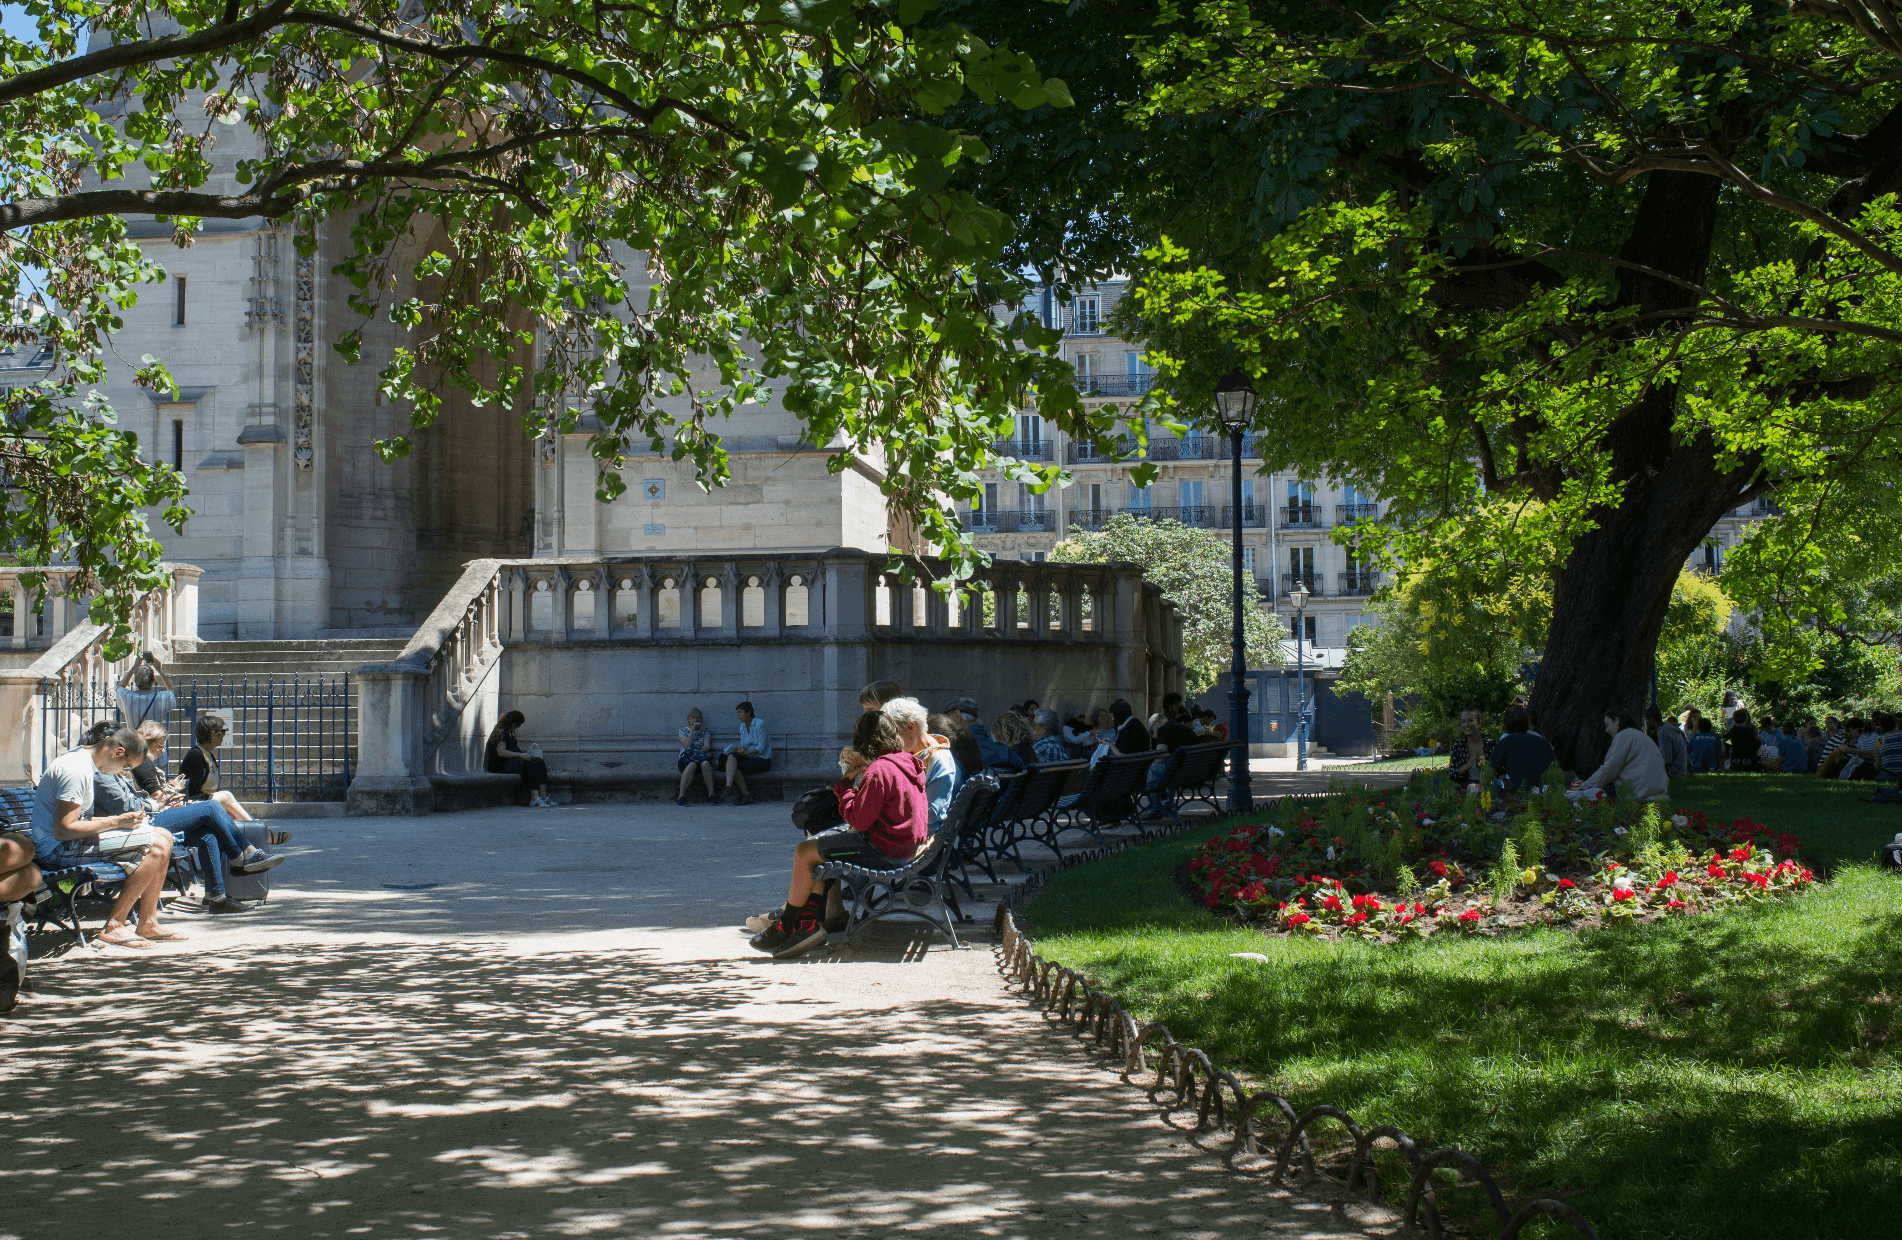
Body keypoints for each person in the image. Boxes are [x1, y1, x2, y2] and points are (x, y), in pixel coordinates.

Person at [751, 708, 928, 958]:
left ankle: (786, 925)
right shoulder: (908, 762)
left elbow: (858, 820)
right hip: (904, 847)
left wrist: (845, 784)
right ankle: (807, 925)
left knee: (805, 852)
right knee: (816, 846)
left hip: (886, 851)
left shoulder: (880, 770)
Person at [27, 725, 183, 948]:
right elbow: (63, 830)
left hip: (69, 843)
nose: (124, 771)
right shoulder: (76, 770)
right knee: (157, 845)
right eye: (126, 766)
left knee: (164, 836)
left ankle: (148, 922)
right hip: (56, 850)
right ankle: (114, 925)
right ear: (118, 752)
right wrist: (116, 822)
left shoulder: (84, 761)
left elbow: (76, 821)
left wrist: (122, 822)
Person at [93, 747, 283, 914]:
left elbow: (137, 800)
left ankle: (217, 898)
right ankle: (242, 855)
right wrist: (158, 802)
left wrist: (164, 795)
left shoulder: (115, 772)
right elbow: (129, 808)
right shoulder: (103, 776)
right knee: (212, 807)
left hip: (148, 817)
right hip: (142, 823)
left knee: (207, 834)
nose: (126, 763)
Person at [1572, 706, 1671, 801]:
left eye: (1607, 725)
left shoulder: (1623, 735)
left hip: (1638, 790)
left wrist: (1585, 786)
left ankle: (1570, 795)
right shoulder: (1639, 735)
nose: (1607, 730)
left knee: (1594, 793)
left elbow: (1609, 769)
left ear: (1617, 720)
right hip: (1656, 790)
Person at [485, 711, 554, 807]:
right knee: (531, 764)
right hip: (502, 764)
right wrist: (520, 755)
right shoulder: (501, 732)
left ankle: (543, 797)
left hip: (512, 761)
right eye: (518, 725)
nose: (518, 727)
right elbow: (501, 752)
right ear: (514, 724)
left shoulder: (510, 732)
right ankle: (535, 798)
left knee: (539, 762)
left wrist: (524, 754)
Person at [1488, 705, 1557, 792]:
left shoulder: (1504, 742)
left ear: (1506, 722)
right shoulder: (1542, 741)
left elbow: (1490, 772)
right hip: (1542, 794)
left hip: (1517, 794)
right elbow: (1557, 771)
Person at [721, 700, 771, 804]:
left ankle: (745, 794)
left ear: (748, 712)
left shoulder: (760, 724)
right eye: (737, 713)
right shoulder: (742, 726)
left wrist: (745, 753)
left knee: (732, 766)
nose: (738, 715)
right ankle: (729, 788)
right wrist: (741, 749)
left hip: (763, 759)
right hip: (749, 757)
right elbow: (743, 743)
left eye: (740, 712)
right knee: (730, 758)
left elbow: (761, 748)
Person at [115, 653, 178, 731]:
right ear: (153, 680)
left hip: (134, 737)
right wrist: (159, 670)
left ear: (135, 681)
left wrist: (135, 666)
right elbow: (174, 692)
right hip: (153, 737)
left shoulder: (127, 696)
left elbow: (119, 687)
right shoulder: (160, 697)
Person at [675, 707, 717, 806]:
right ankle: (681, 796)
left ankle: (712, 795)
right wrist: (692, 730)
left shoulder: (705, 731)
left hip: (701, 758)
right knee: (692, 764)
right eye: (693, 718)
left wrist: (705, 747)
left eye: (698, 718)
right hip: (687, 759)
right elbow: (686, 746)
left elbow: (707, 745)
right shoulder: (683, 731)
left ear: (701, 719)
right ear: (688, 719)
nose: (695, 720)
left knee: (706, 764)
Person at [1448, 706, 1490, 783]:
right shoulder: (1458, 746)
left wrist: (1480, 766)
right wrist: (1466, 767)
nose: (1466, 724)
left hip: (1488, 786)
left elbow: (1499, 772)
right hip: (1465, 787)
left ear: (1479, 723)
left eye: (1470, 721)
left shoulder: (1490, 744)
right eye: (1463, 721)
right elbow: (1452, 774)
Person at [1649, 706, 1689, 779]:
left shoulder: (1663, 732)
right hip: (1679, 771)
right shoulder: (1666, 729)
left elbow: (1666, 759)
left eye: (1645, 720)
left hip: (1673, 773)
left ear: (1651, 720)